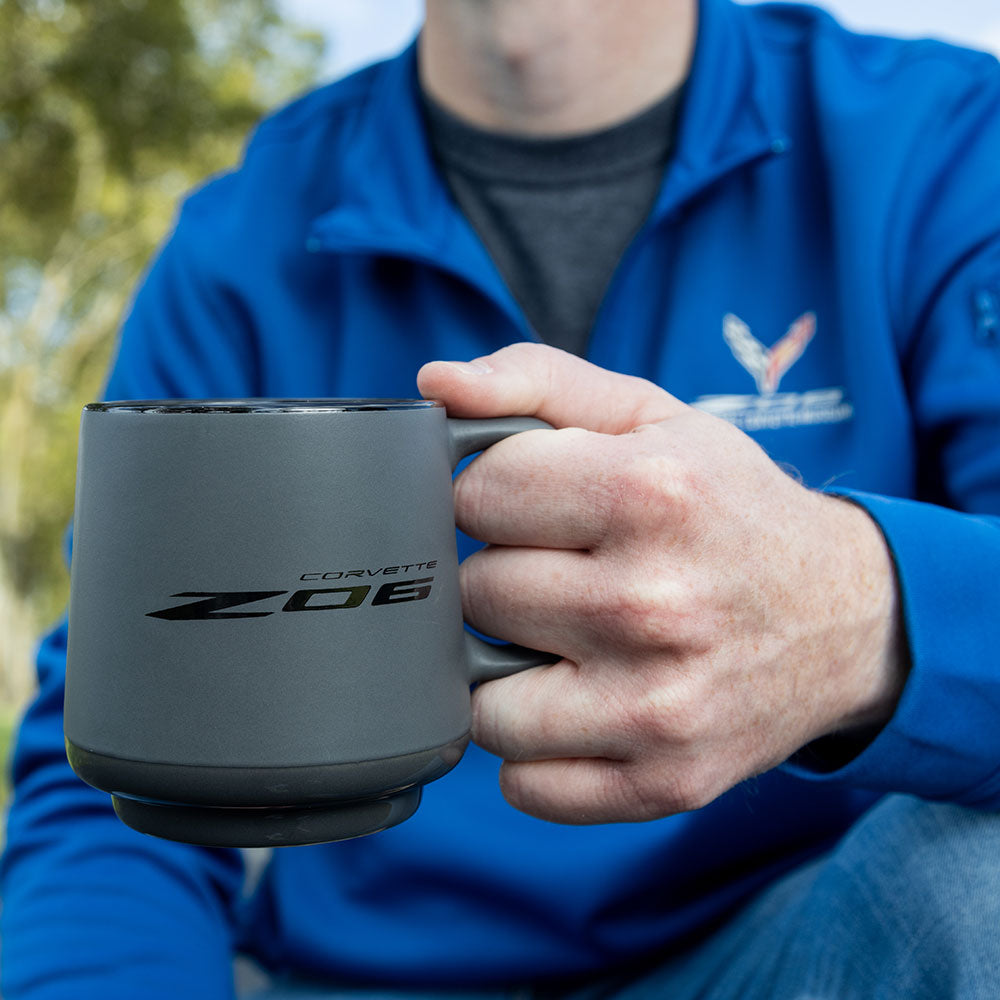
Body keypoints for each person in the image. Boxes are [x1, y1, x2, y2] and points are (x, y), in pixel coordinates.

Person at [3, 0, 1000, 996]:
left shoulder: (940, 143)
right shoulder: (238, 245)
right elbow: (111, 776)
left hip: (793, 947)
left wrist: (862, 618)